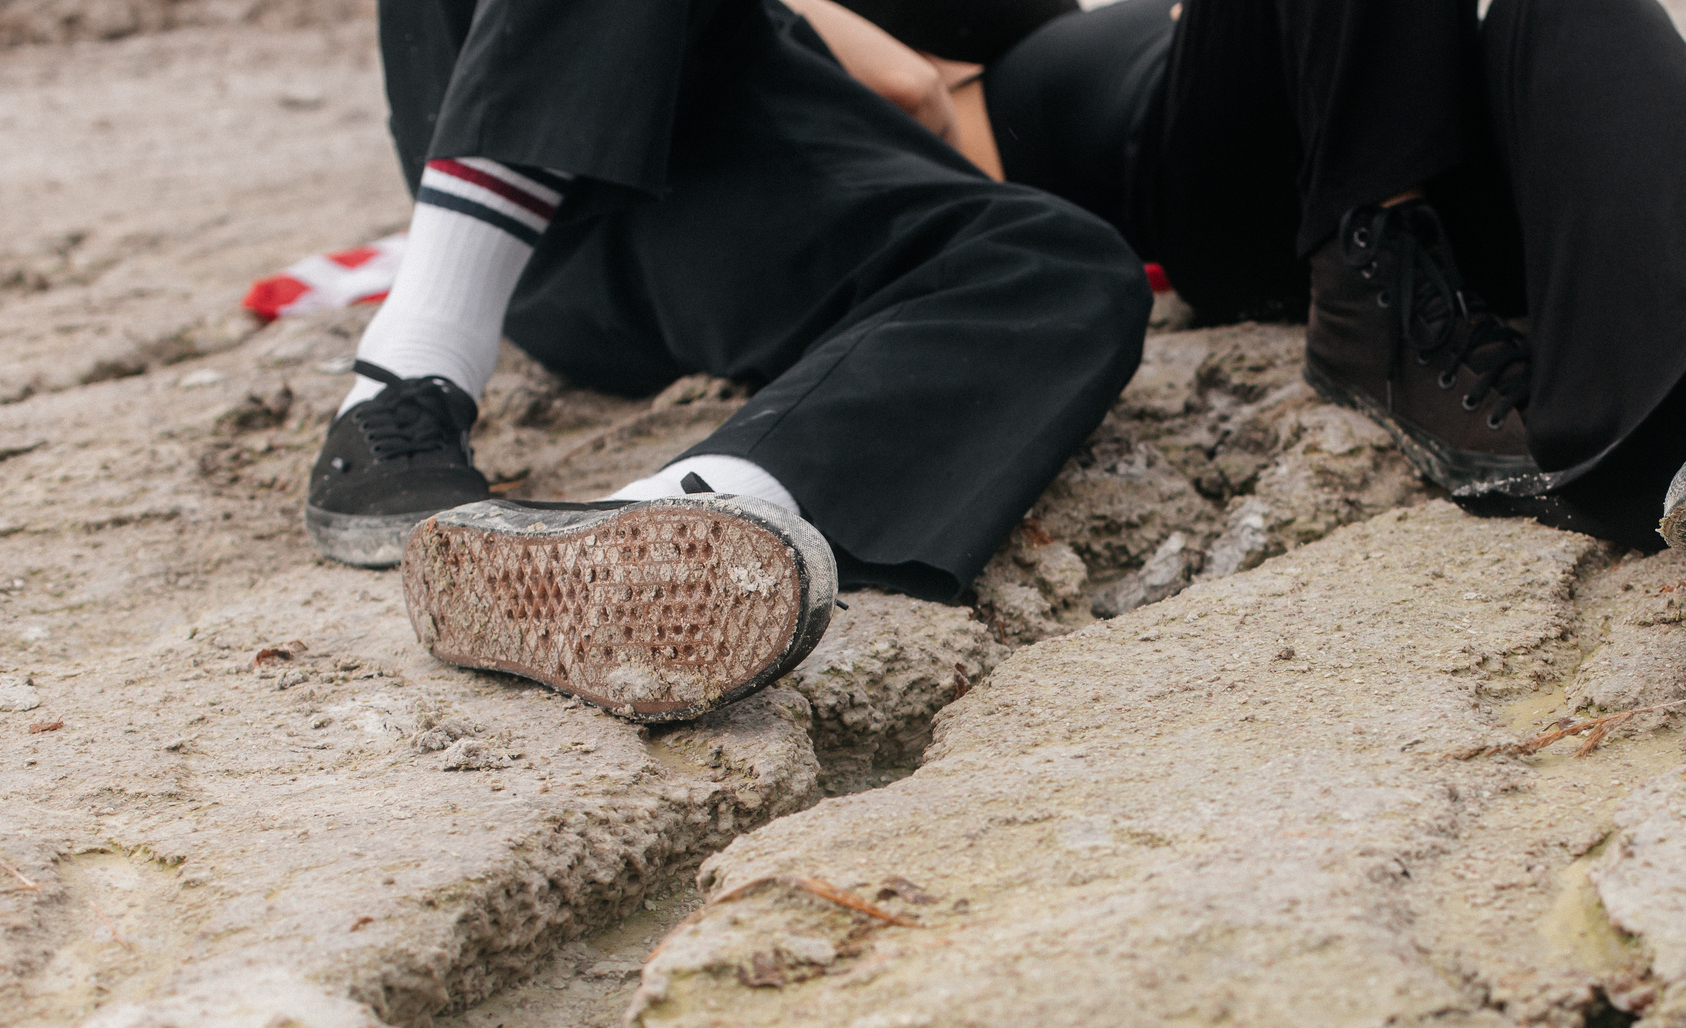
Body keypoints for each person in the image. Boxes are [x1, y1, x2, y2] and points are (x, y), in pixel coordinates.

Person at [303, 0, 1152, 720]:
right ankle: (407, 370)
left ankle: (674, 526)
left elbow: (926, 92)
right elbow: (905, 82)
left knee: (1070, 265)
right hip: (528, 165)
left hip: (743, 211)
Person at [838, 0, 1686, 580]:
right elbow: (909, 92)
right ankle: (1374, 306)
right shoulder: (784, 39)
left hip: (1362, 117)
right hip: (1227, 195)